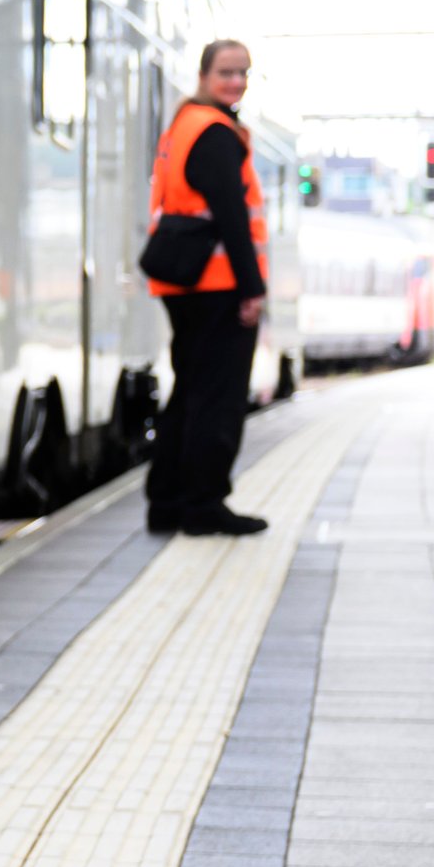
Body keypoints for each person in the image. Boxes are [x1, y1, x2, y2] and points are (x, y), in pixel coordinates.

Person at [145, 38, 269, 537]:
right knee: (217, 399)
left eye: (243, 73)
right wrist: (252, 288)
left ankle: (167, 502)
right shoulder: (216, 133)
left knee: (190, 393)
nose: (236, 82)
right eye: (226, 72)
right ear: (203, 75)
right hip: (217, 285)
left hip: (182, 283)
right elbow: (233, 219)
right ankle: (203, 505)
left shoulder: (182, 126)